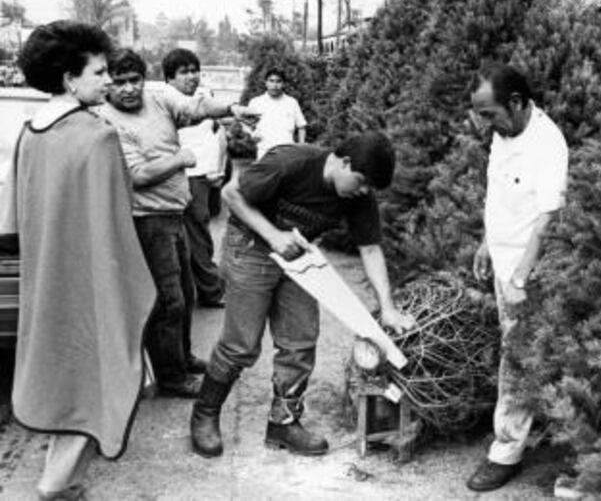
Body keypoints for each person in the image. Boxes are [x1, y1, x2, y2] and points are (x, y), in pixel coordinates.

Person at [0, 22, 156, 500]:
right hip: (90, 279)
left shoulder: (30, 132)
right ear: (70, 78)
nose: (108, 81)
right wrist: (133, 291)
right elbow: (115, 229)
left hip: (44, 279)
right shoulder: (97, 138)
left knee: (58, 374)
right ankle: (55, 485)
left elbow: (12, 221)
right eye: (100, 72)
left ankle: (64, 481)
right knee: (99, 375)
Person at [190, 132, 415, 459]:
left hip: (298, 257)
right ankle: (205, 415)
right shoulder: (291, 162)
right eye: (362, 182)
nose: (364, 192)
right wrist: (272, 235)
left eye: (369, 188)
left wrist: (389, 309)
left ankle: (283, 423)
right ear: (344, 162)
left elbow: (369, 247)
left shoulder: (357, 195)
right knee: (241, 344)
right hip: (250, 247)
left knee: (300, 340)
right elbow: (231, 193)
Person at [98, 48, 251, 399]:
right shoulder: (109, 122)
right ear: (109, 86)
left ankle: (182, 358)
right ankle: (171, 377)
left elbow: (196, 107)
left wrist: (230, 109)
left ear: (144, 79)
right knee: (169, 302)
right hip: (147, 220)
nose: (128, 89)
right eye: (119, 83)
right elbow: (137, 175)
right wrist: (180, 157)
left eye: (134, 80)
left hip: (174, 213)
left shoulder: (158, 99)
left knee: (186, 293)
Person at [466, 64, 569, 492]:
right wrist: (488, 241)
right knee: (517, 349)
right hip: (503, 259)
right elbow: (500, 192)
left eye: (488, 114)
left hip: (529, 269)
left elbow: (548, 218)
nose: (483, 123)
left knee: (519, 357)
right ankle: (536, 427)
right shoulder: (503, 133)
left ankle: (506, 451)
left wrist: (521, 278)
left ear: (516, 102)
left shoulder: (548, 143)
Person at [164, 48, 228, 308]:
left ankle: (206, 289)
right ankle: (210, 290)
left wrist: (217, 171)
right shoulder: (168, 101)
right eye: (184, 72)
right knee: (193, 237)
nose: (191, 76)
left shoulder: (202, 99)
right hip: (180, 177)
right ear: (170, 78)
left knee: (199, 233)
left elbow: (215, 139)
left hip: (200, 176)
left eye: (194, 70)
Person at [248, 67, 307, 160]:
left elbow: (301, 126)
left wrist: (301, 148)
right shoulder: (256, 102)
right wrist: (251, 133)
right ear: (266, 82)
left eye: (278, 81)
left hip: (288, 154)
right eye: (271, 81)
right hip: (264, 153)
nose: (274, 85)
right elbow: (244, 123)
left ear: (283, 83)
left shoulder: (292, 102)